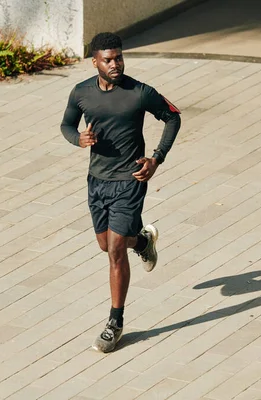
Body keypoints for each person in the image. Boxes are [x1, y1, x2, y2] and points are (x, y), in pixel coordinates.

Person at [60, 32, 181, 353]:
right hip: (97, 181)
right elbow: (67, 126)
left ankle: (115, 322)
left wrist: (156, 158)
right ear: (95, 62)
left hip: (130, 180)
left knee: (115, 251)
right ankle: (142, 241)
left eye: (119, 58)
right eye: (108, 59)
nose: (115, 64)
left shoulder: (140, 93)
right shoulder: (81, 92)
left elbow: (172, 117)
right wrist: (78, 139)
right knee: (106, 244)